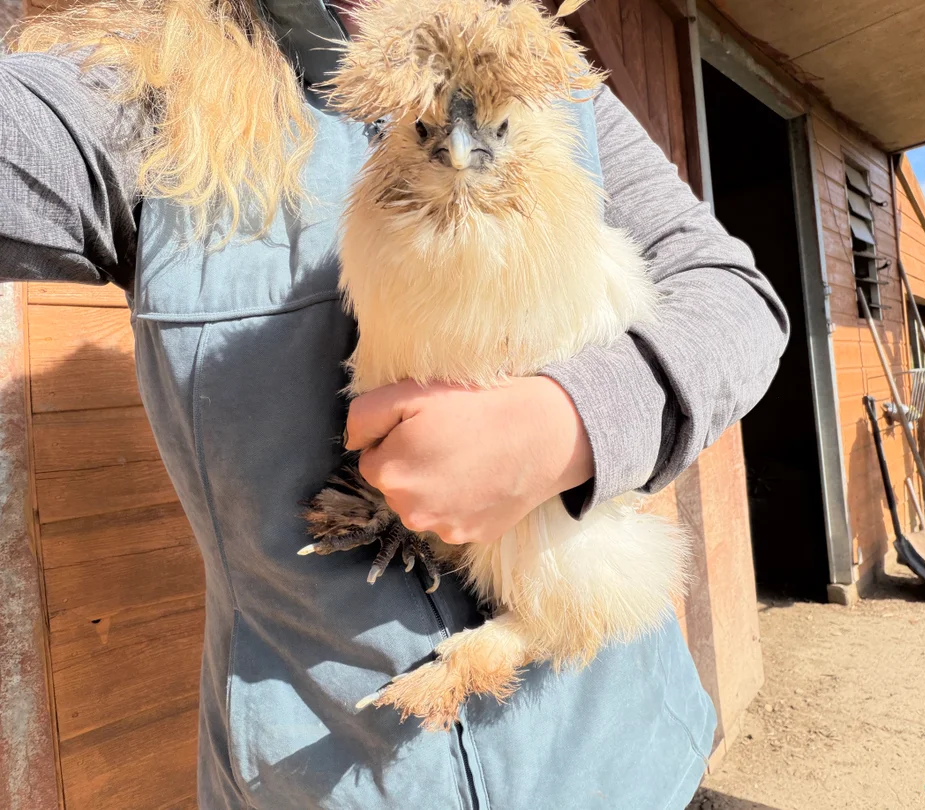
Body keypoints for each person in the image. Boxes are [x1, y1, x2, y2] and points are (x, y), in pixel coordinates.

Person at [0, 0, 788, 806]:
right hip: (327, 778)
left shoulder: (542, 79)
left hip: (628, 764)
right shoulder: (158, 83)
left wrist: (568, 422)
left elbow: (733, 298)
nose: (461, 145)